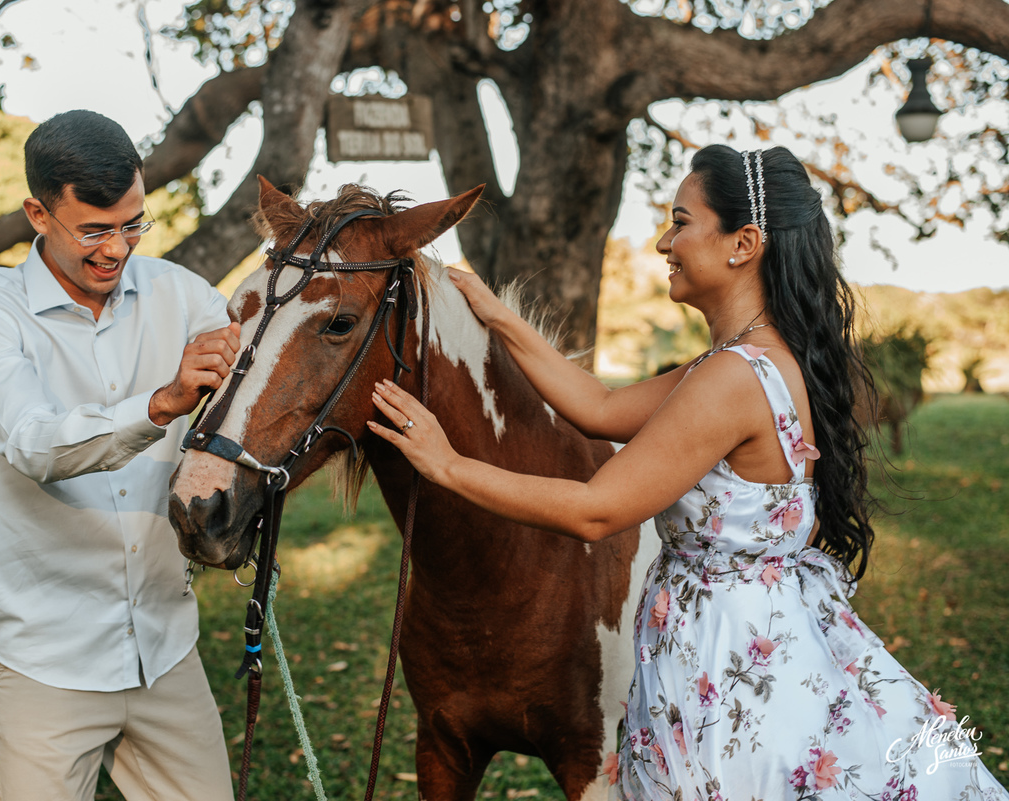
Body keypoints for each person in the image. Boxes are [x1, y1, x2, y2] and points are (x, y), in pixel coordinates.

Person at [367, 145, 1009, 800]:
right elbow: (601, 408)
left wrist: (448, 464)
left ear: (743, 243)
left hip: (727, 666)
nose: (662, 241)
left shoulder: (731, 379)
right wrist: (499, 316)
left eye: (680, 221)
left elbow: (597, 507)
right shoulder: (754, 359)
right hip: (757, 638)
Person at [0, 110, 241, 800]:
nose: (117, 248)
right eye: (96, 229)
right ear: (37, 213)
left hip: (165, 647)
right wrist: (161, 403)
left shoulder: (185, 295)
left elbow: (265, 370)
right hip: (42, 657)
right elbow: (32, 441)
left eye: (134, 224)